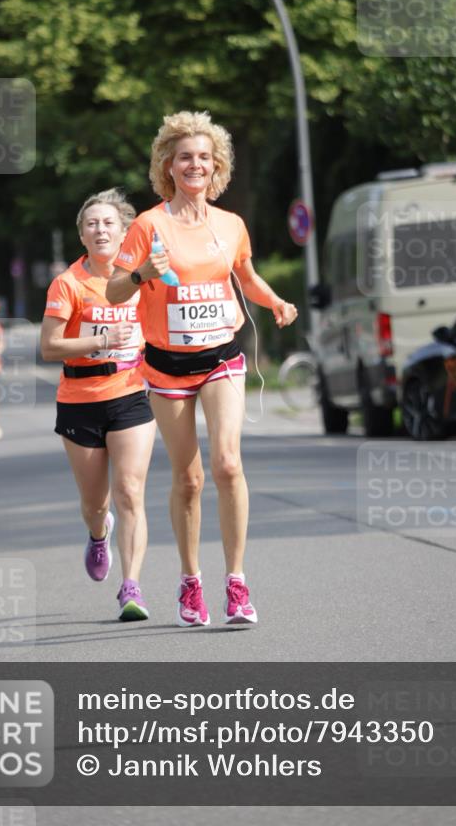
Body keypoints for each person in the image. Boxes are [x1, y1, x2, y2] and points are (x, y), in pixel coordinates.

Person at [107, 111, 298, 627]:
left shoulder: (230, 224)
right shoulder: (149, 225)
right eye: (186, 156)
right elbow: (115, 289)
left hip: (221, 357)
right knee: (188, 479)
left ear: (217, 167)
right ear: (168, 165)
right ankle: (191, 581)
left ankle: (236, 582)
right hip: (167, 366)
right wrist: (142, 272)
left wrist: (277, 301)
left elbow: (247, 277)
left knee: (228, 464)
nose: (195, 164)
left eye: (205, 157)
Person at [40, 189, 156, 621]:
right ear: (82, 236)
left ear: (125, 233)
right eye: (92, 224)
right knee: (97, 504)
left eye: (109, 223)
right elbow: (50, 346)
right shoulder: (68, 283)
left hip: (130, 394)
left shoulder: (142, 282)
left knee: (130, 491)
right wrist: (100, 341)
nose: (100, 229)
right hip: (79, 399)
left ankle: (132, 587)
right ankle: (97, 534)